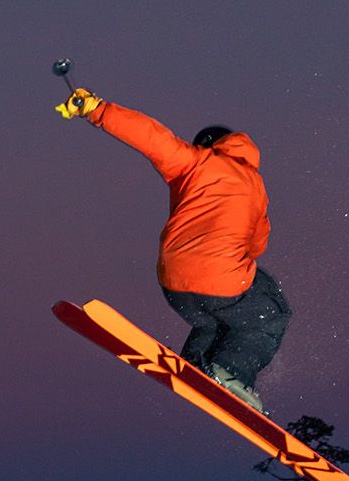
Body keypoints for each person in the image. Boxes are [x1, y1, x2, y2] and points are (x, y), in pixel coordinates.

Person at [55, 86, 290, 412]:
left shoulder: (193, 163)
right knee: (270, 312)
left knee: (213, 321)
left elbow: (152, 138)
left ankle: (198, 365)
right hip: (221, 281)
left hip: (173, 283)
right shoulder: (256, 186)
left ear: (205, 146)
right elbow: (258, 243)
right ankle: (229, 371)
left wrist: (96, 109)